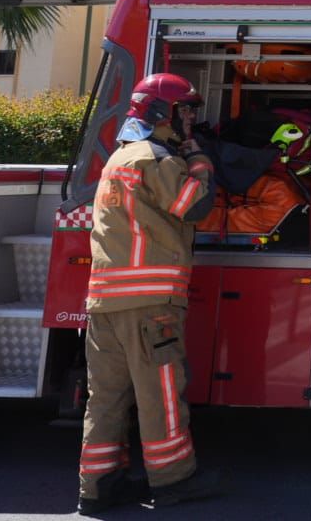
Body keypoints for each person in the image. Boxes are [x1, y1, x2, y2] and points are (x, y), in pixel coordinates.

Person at [77, 74, 222, 514]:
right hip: (148, 305)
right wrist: (198, 157)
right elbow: (194, 204)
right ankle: (175, 478)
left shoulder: (120, 157)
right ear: (163, 113)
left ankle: (98, 486)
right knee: (160, 393)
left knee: (106, 397)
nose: (191, 117)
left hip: (105, 305)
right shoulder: (156, 158)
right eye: (185, 110)